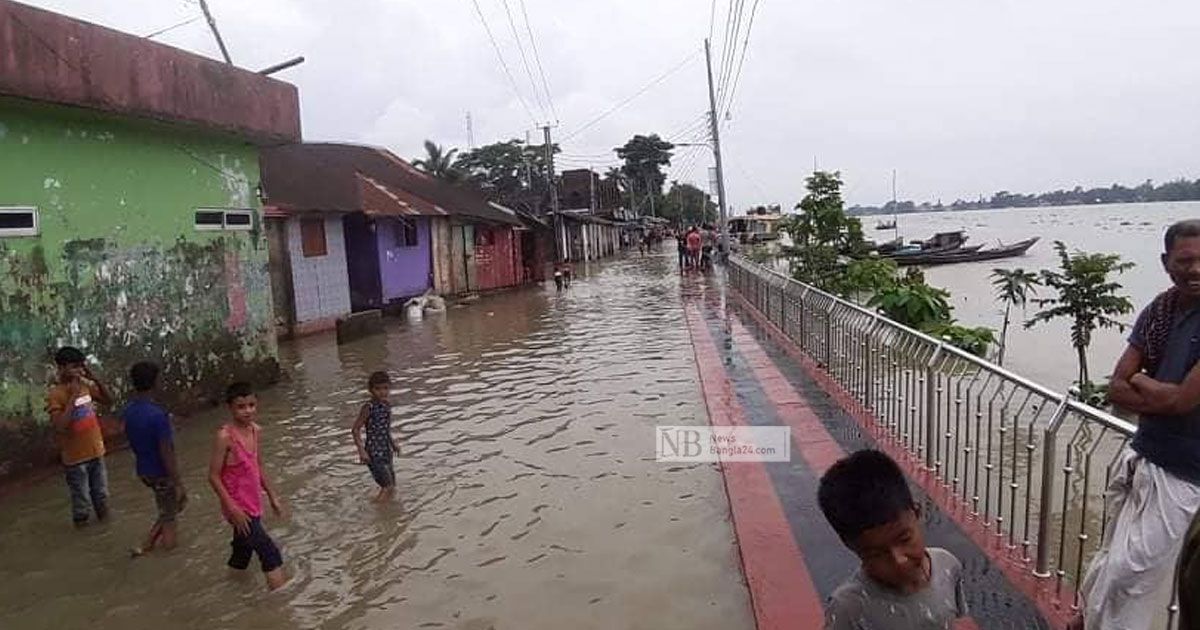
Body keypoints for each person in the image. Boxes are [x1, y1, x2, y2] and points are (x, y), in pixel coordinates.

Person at [1080, 219, 1200, 629]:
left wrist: (1144, 382)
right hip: (1143, 454)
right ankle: (1089, 621)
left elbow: (1184, 400)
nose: (1196, 269)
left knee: (1134, 577)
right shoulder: (1161, 311)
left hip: (1184, 475)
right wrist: (1161, 395)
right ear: (1167, 263)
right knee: (1109, 560)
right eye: (1186, 260)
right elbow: (1115, 387)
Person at [818, 449, 967, 630]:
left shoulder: (948, 566)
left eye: (905, 539)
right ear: (851, 546)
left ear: (917, 513)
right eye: (876, 553)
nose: (899, 561)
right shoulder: (849, 609)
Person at [208, 382, 287, 590]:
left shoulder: (255, 431)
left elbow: (257, 465)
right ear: (230, 408)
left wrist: (272, 496)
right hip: (237, 507)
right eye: (241, 407)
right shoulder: (225, 437)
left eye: (251, 405)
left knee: (242, 550)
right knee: (269, 551)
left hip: (253, 501)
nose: (247, 411)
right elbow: (213, 476)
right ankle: (281, 604)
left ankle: (232, 585)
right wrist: (232, 508)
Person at [123, 361, 186, 556]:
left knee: (171, 508)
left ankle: (148, 543)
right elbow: (166, 451)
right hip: (160, 472)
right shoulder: (159, 416)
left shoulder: (129, 411)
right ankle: (167, 556)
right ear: (156, 382)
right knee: (170, 516)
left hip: (144, 470)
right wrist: (177, 482)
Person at [47, 346, 113, 527]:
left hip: (96, 451)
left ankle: (105, 528)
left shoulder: (86, 386)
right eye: (74, 366)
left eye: (81, 366)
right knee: (81, 503)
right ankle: (82, 531)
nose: (79, 370)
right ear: (61, 368)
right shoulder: (56, 394)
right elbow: (60, 426)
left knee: (102, 497)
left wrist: (95, 379)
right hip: (75, 459)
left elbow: (109, 400)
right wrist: (73, 397)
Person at [352, 371, 400, 502]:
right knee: (387, 486)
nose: (382, 392)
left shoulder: (386, 406)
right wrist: (361, 451)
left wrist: (393, 444)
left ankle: (385, 510)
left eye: (385, 388)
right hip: (373, 452)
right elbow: (355, 429)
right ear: (371, 390)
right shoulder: (368, 407)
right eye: (378, 389)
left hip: (385, 450)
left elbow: (385, 428)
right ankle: (379, 517)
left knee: (392, 485)